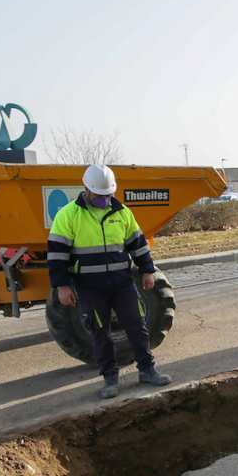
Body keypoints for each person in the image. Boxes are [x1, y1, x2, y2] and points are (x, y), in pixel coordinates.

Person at [48, 164, 173, 398]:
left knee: (137, 326)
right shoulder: (68, 215)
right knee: (100, 333)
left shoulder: (122, 212)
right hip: (90, 287)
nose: (105, 199)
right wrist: (62, 286)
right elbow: (56, 255)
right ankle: (110, 379)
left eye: (108, 195)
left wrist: (147, 271)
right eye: (99, 195)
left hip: (122, 283)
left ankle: (147, 370)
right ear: (86, 189)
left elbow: (137, 244)